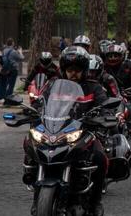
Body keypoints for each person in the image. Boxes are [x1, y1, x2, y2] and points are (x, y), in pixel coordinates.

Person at [23, 46, 108, 216]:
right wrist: (31, 111)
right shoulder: (52, 86)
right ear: (63, 70)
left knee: (100, 157)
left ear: (84, 71)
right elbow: (39, 102)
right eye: (70, 70)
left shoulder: (94, 88)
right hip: (54, 129)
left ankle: (95, 202)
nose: (73, 74)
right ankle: (36, 196)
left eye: (77, 70)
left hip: (84, 131)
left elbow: (104, 106)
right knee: (30, 145)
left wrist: (104, 115)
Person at [104, 43, 131, 139]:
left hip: (126, 93)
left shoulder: (128, 65)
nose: (113, 58)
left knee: (130, 111)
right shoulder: (103, 67)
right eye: (110, 56)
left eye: (115, 55)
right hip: (108, 93)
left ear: (121, 56)